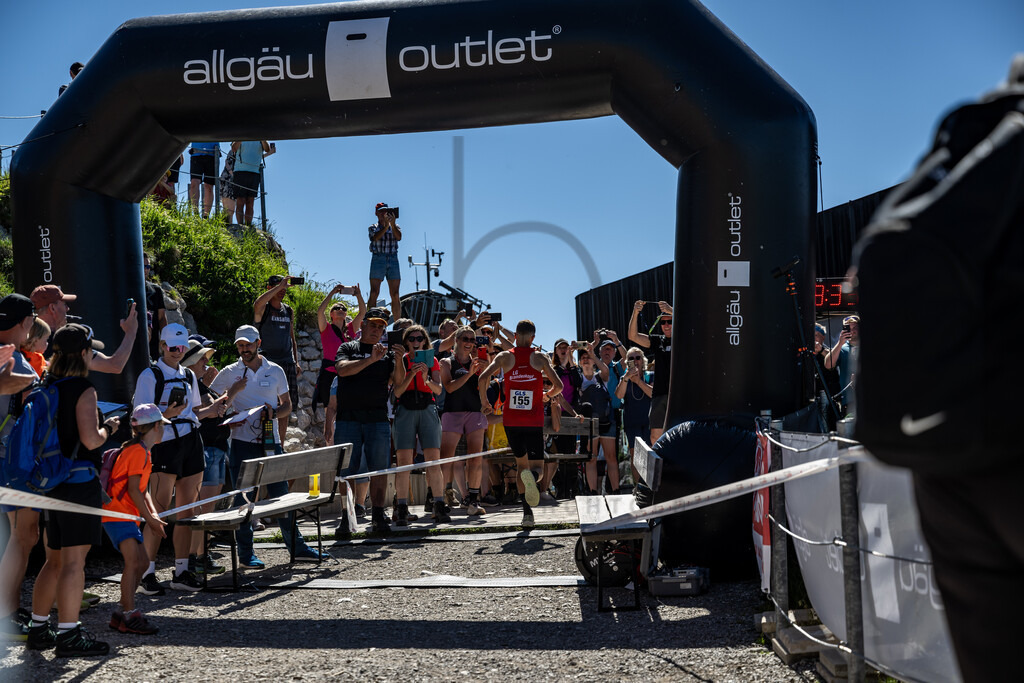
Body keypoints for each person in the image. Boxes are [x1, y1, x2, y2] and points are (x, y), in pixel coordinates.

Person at [26, 324, 120, 657]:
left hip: (49, 483)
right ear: (83, 354)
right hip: (79, 483)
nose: (93, 354)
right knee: (74, 564)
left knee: (53, 562)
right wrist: (108, 427)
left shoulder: (45, 384)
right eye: (90, 350)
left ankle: (39, 628)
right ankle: (69, 634)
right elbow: (91, 439)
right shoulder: (83, 388)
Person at [209, 325, 326, 567]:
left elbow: (288, 406)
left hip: (271, 442)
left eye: (248, 344)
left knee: (281, 498)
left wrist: (272, 412)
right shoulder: (230, 372)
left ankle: (298, 548)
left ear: (258, 342)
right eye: (240, 345)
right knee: (244, 501)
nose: (244, 349)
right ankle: (245, 555)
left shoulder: (275, 370)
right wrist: (231, 401)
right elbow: (210, 402)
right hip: (241, 443)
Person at [134, 324, 226, 594]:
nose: (177, 352)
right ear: (162, 346)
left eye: (181, 347)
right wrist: (168, 415)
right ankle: (146, 574)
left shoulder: (188, 374)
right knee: (159, 511)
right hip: (164, 443)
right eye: (172, 347)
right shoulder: (149, 375)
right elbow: (139, 418)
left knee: (188, 512)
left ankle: (182, 571)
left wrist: (215, 407)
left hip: (190, 442)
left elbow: (194, 411)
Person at [478, 320, 562, 527]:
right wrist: (546, 395)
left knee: (521, 466)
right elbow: (558, 386)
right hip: (533, 421)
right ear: (533, 338)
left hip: (511, 421)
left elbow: (482, 378)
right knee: (537, 470)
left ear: (515, 336)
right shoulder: (540, 358)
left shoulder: (504, 357)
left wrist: (485, 403)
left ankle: (527, 515)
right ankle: (531, 480)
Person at [0, 295, 50, 641]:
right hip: (10, 461)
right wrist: (36, 381)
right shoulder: (10, 354)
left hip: (9, 459)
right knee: (23, 536)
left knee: (23, 536)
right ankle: (6, 614)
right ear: (26, 322)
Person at [334, 307, 404, 536]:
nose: (376, 329)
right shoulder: (348, 347)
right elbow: (342, 370)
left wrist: (400, 359)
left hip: (377, 418)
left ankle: (378, 515)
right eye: (373, 325)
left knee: (379, 470)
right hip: (348, 419)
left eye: (381, 326)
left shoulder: (387, 353)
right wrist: (370, 360)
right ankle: (347, 517)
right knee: (346, 472)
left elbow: (399, 384)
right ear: (362, 325)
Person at [101, 403, 168, 635]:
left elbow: (143, 489)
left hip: (125, 515)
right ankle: (129, 614)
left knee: (140, 562)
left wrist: (153, 515)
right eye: (163, 426)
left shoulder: (142, 450)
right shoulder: (138, 451)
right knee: (134, 563)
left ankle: (121, 611)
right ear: (156, 426)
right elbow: (133, 490)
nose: (164, 431)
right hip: (118, 514)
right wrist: (150, 519)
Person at [181, 339, 228, 576]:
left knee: (208, 507)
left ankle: (201, 554)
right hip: (206, 448)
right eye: (202, 359)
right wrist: (233, 393)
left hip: (214, 447)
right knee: (202, 509)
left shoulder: (196, 384)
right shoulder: (189, 384)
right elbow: (198, 413)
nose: (206, 364)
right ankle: (196, 556)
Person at [392, 325, 447, 525]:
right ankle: (402, 508)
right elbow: (397, 392)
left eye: (420, 338)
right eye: (412, 339)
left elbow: (439, 390)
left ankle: (439, 505)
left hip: (427, 406)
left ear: (425, 341)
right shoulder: (401, 360)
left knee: (433, 459)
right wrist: (410, 374)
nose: (416, 342)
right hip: (405, 408)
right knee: (404, 461)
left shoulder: (431, 360)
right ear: (406, 342)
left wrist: (425, 378)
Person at [439, 327, 490, 516]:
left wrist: (487, 368)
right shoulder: (446, 362)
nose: (469, 342)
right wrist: (469, 373)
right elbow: (449, 387)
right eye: (465, 338)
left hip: (474, 412)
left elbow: (484, 386)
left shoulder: (478, 362)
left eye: (472, 339)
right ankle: (439, 497)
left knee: (476, 457)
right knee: (447, 459)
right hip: (452, 412)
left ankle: (473, 499)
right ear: (457, 340)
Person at [30, 284, 139, 373]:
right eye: (64, 304)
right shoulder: (66, 340)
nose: (68, 308)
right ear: (52, 308)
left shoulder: (25, 339)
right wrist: (131, 332)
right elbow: (115, 365)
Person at [254, 275, 300, 442]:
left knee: (285, 406)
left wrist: (296, 361)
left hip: (287, 362)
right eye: (277, 287)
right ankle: (267, 441)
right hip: (268, 364)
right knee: (267, 403)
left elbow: (291, 338)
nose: (282, 291)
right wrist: (278, 286)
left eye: (284, 288)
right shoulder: (264, 309)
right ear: (269, 288)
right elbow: (257, 304)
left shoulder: (288, 310)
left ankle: (279, 443)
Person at [313, 284, 366, 413]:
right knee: (329, 410)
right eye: (336, 308)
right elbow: (320, 311)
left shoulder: (350, 329)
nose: (340, 309)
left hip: (345, 372)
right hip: (329, 372)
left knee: (345, 408)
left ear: (346, 313)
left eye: (343, 308)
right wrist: (332, 292)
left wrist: (358, 295)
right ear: (331, 314)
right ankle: (329, 434)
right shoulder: (326, 328)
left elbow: (363, 312)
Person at [628, 300, 673, 444]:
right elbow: (633, 336)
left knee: (681, 434)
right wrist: (635, 313)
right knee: (655, 437)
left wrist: (673, 310)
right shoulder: (657, 341)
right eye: (663, 322)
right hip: (660, 393)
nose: (666, 325)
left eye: (670, 321)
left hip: (679, 395)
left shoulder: (684, 337)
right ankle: (662, 466)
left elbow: (694, 324)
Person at [577, 344, 620, 494]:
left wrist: (592, 353)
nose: (586, 360)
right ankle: (593, 492)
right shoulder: (578, 379)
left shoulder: (601, 376)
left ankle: (616, 491)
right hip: (590, 422)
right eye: (583, 358)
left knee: (611, 457)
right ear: (580, 362)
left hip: (607, 419)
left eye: (588, 358)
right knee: (592, 458)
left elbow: (606, 370)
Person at [615, 346, 653, 483]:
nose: (635, 360)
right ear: (627, 361)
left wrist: (638, 381)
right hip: (632, 421)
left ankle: (650, 485)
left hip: (649, 420)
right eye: (631, 358)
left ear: (642, 360)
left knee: (650, 454)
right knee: (635, 455)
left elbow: (653, 394)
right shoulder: (624, 377)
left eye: (638, 358)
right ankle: (638, 487)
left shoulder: (650, 376)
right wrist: (626, 378)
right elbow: (619, 395)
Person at [366, 202, 403, 320]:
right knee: (374, 292)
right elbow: (375, 237)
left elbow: (399, 237)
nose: (383, 214)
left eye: (385, 211)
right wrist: (386, 226)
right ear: (376, 213)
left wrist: (392, 224)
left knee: (395, 294)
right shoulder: (373, 227)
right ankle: (370, 318)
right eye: (381, 211)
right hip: (378, 258)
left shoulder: (395, 226)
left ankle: (397, 323)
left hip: (393, 258)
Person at [824, 315, 859, 417]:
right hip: (848, 401)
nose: (852, 331)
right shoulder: (842, 348)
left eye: (855, 328)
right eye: (848, 328)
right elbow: (828, 365)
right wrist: (840, 343)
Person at [230, 140, 271, 226]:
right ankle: (240, 226)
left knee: (250, 201)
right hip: (240, 172)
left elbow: (267, 149)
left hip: (254, 173)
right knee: (240, 201)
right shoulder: (241, 133)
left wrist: (262, 137)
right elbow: (234, 149)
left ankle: (248, 227)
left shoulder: (261, 136)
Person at [144, 252, 167, 361]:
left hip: (153, 345)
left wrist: (165, 342)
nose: (146, 269)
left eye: (148, 266)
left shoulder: (155, 290)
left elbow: (162, 317)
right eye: (143, 266)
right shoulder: (126, 289)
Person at [188, 142, 220, 218]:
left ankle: (206, 217)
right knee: (194, 183)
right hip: (196, 154)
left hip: (212, 154)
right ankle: (196, 215)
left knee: (209, 186)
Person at [219, 147, 238, 219]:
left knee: (229, 209)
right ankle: (227, 225)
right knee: (229, 208)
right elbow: (227, 163)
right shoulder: (232, 151)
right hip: (229, 179)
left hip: (231, 179)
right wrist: (232, 174)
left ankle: (227, 224)